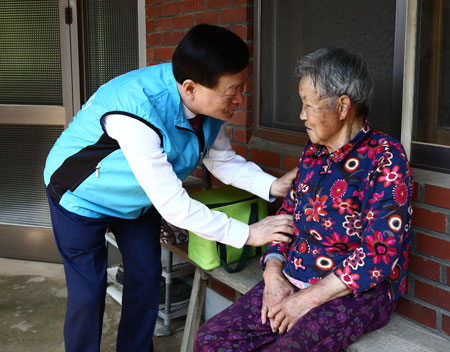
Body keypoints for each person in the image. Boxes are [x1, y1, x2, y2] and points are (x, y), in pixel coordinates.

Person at [43, 24, 296, 352]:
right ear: (190, 88)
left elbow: (220, 161)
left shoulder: (207, 101)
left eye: (242, 87)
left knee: (146, 280)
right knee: (88, 294)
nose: (239, 99)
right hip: (80, 197)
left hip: (137, 202)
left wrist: (274, 185)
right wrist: (249, 234)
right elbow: (174, 206)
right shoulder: (137, 110)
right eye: (232, 91)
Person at [194, 48, 414, 352]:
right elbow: (285, 218)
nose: (301, 115)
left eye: (308, 105)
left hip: (352, 292)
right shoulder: (314, 152)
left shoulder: (385, 157)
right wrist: (273, 274)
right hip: (294, 274)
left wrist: (306, 299)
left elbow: (378, 255)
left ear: (342, 106)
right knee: (211, 341)